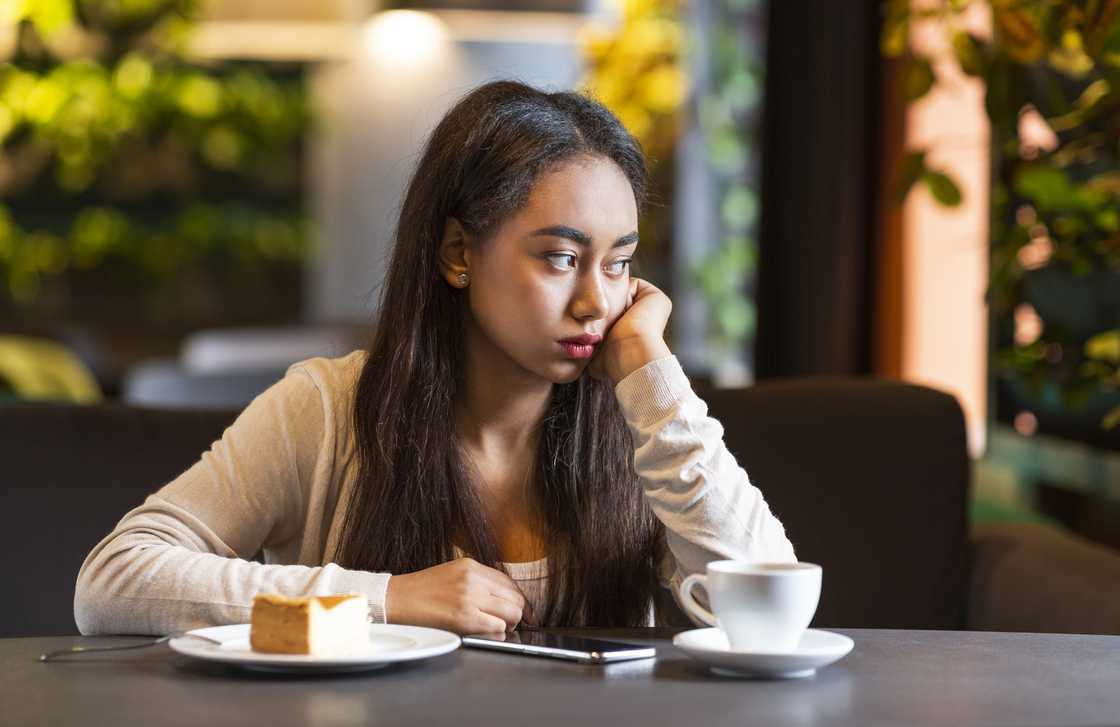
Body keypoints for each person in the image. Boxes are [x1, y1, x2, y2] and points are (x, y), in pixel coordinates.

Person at [74, 80, 795, 636]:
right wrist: (386, 599)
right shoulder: (328, 410)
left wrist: (651, 374)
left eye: (619, 264)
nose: (596, 302)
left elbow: (774, 608)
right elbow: (112, 581)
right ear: (458, 252)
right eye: (562, 257)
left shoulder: (644, 422)